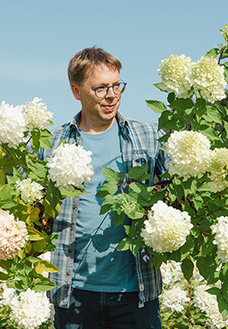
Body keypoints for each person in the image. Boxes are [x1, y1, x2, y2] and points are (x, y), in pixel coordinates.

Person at [39, 47, 169, 329]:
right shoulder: (52, 144)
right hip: (73, 293)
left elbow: (182, 186)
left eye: (116, 85)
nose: (111, 95)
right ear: (77, 91)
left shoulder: (147, 136)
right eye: (100, 88)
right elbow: (23, 201)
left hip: (136, 291)